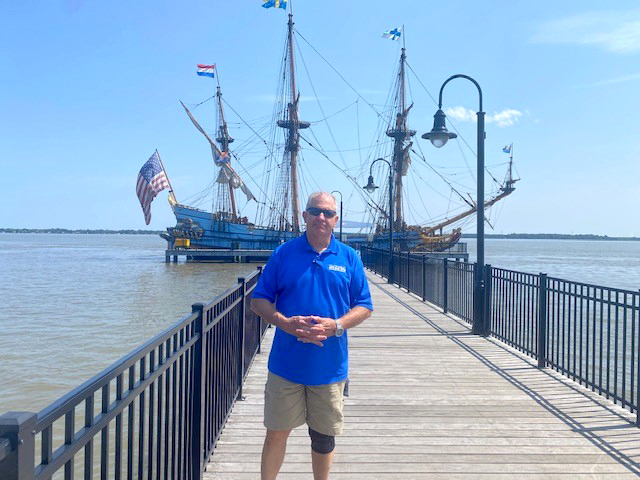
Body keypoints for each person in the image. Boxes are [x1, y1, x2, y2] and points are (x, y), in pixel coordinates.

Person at [250, 191, 373, 480]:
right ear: (304, 216)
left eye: (328, 213)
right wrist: (285, 322)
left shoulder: (349, 257)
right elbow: (259, 301)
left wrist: (336, 326)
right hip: (286, 365)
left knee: (323, 437)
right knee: (276, 433)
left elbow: (365, 305)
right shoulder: (284, 253)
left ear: (335, 219)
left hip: (329, 367)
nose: (321, 217)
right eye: (315, 211)